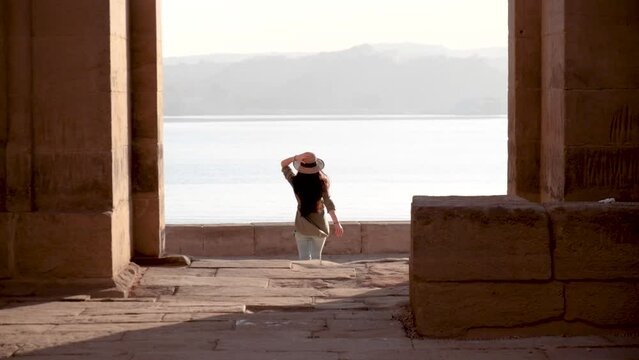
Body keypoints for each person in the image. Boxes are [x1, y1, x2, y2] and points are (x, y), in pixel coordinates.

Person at [281, 152, 344, 261]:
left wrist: (296, 158)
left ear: (301, 166)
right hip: (320, 227)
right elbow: (328, 202)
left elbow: (283, 164)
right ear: (316, 167)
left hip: (302, 226)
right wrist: (336, 223)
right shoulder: (322, 183)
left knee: (303, 259)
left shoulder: (295, 181)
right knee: (316, 258)